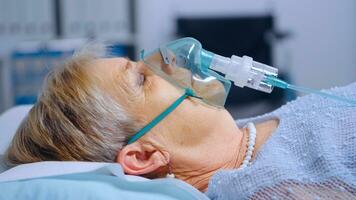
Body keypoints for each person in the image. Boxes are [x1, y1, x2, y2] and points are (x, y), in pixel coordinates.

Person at [5, 46, 356, 199]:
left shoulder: (245, 135)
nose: (170, 62)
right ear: (144, 156)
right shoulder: (273, 190)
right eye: (142, 79)